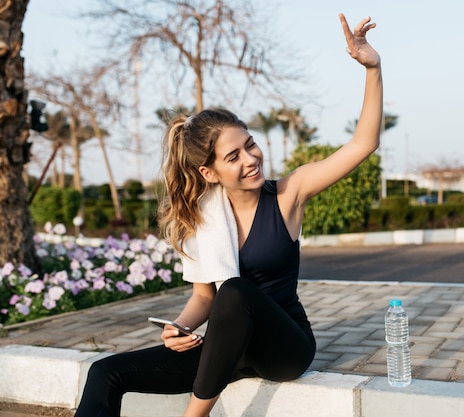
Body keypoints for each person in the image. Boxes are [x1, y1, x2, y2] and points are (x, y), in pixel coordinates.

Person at [74, 13, 382, 417]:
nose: (252, 159)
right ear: (209, 172)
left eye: (250, 145)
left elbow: (363, 144)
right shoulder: (202, 217)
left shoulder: (288, 195)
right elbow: (204, 297)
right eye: (233, 156)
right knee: (104, 372)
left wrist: (372, 68)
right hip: (228, 347)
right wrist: (179, 329)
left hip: (283, 349)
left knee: (235, 291)